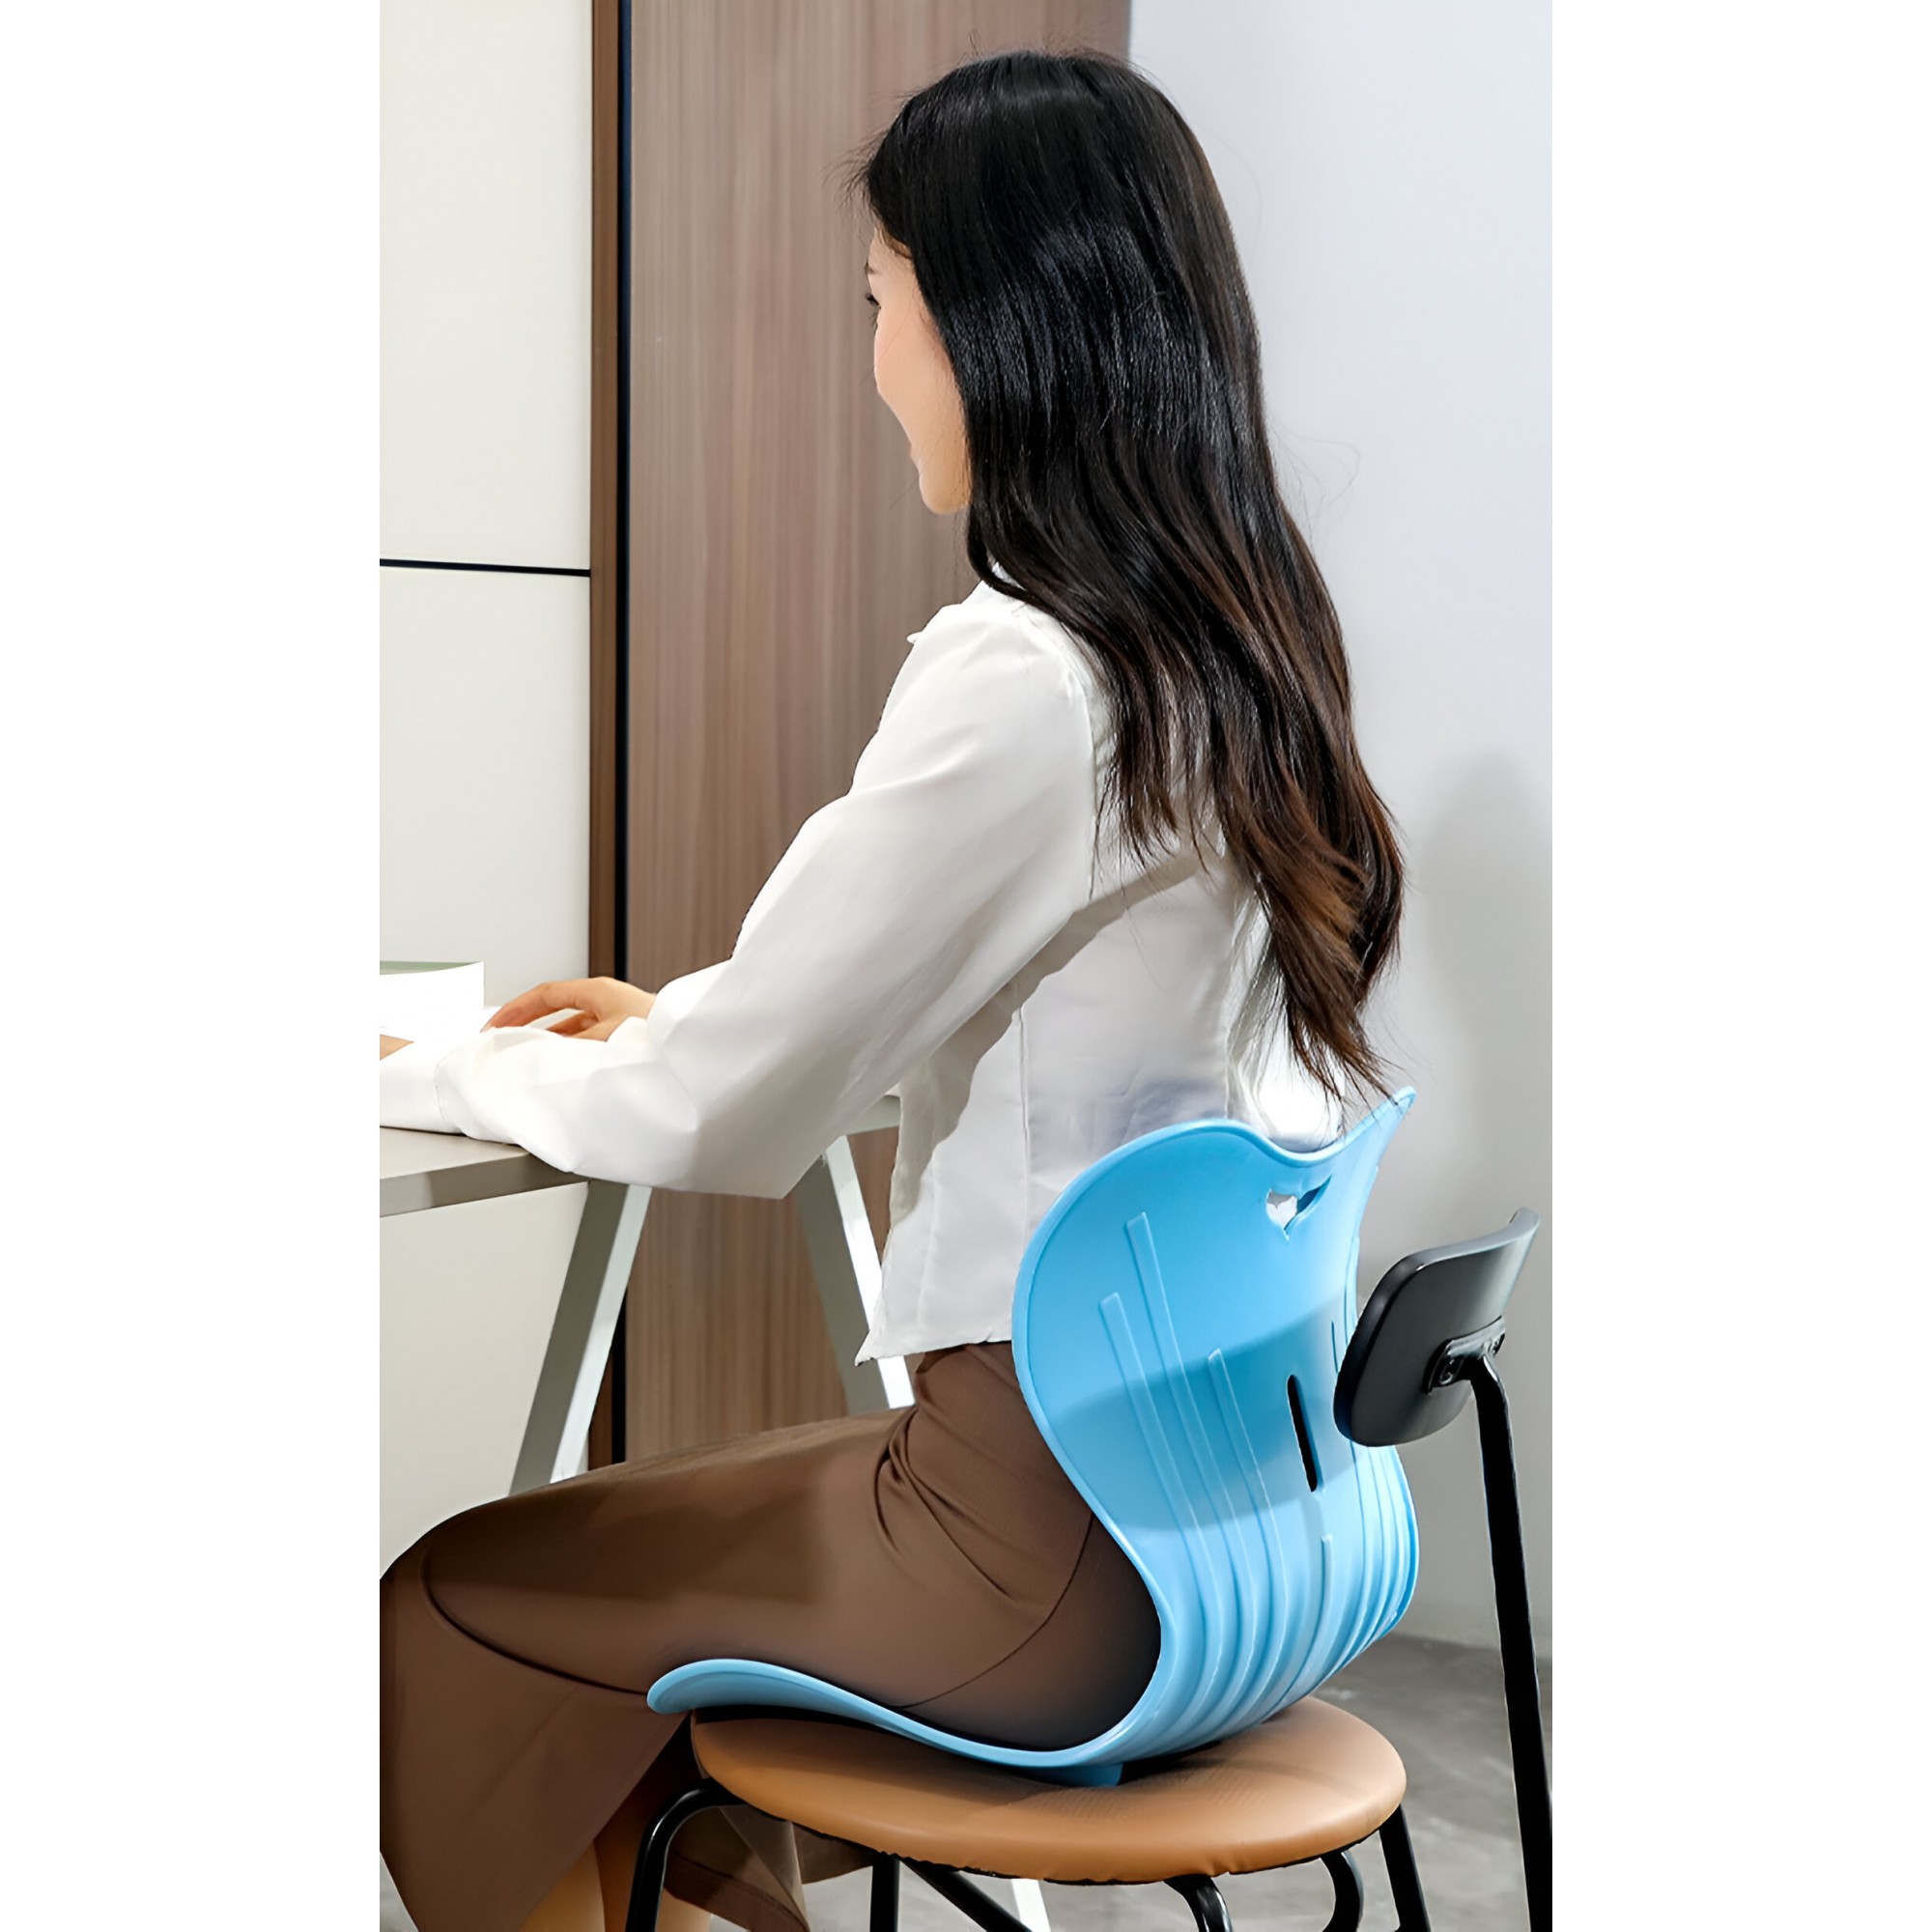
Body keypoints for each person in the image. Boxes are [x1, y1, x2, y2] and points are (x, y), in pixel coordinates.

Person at [378, 46, 1405, 1932]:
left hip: (1041, 1558)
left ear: (991, 321)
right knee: (635, 1651)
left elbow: (719, 1114)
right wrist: (680, 1017)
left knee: (450, 1604)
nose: (874, 363)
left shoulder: (1031, 671)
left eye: (879, 302)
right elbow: (972, 998)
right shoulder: (1244, 655)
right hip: (1238, 1524)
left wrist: (425, 1063)